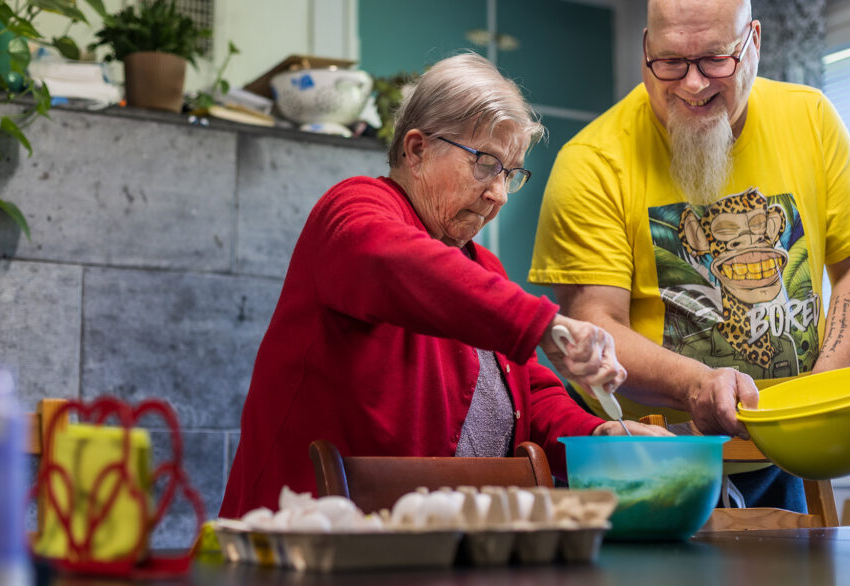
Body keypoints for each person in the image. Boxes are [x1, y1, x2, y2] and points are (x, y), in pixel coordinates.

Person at [220, 53, 668, 518]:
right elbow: (392, 258)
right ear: (416, 150)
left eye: (509, 174)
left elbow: (532, 395)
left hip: (428, 551)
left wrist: (598, 435)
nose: (498, 194)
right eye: (486, 164)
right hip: (305, 544)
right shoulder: (353, 209)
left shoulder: (482, 267)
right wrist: (542, 323)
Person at [529, 0, 850, 511]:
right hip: (653, 462)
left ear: (752, 40)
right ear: (646, 46)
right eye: (671, 61)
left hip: (790, 455)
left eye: (714, 59)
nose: (693, 83)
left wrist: (816, 396)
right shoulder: (592, 161)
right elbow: (594, 323)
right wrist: (696, 383)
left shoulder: (810, 118)